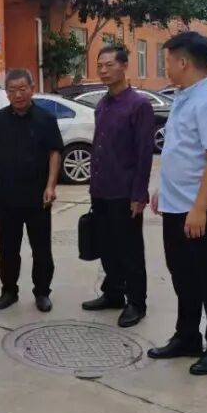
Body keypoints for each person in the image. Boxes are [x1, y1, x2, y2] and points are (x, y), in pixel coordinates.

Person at [149, 31, 207, 376]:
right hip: (177, 205)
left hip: (202, 209)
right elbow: (180, 152)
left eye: (168, 61)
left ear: (183, 62)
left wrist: (199, 208)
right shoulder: (184, 98)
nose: (166, 67)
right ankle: (187, 337)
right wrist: (163, 190)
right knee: (183, 276)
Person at [82, 45, 155, 329]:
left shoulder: (139, 105)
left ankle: (136, 302)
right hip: (101, 189)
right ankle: (113, 293)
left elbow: (144, 154)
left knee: (130, 250)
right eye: (99, 65)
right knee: (107, 246)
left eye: (109, 65)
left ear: (124, 66)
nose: (103, 70)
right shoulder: (103, 104)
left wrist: (139, 194)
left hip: (125, 192)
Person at [0, 69, 63, 312]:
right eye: (12, 90)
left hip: (38, 197)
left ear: (31, 89)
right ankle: (9, 291)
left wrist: (50, 186)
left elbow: (54, 152)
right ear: (6, 93)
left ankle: (42, 292)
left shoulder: (46, 119)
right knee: (7, 249)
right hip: (7, 196)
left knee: (41, 249)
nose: (18, 94)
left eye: (22, 89)